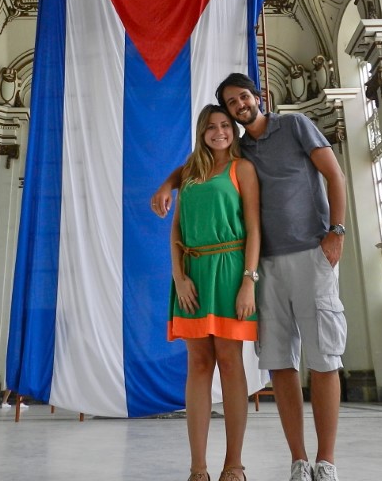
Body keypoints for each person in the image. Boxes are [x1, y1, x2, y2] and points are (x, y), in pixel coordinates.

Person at [153, 74, 347, 481]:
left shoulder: (290, 129)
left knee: (324, 356)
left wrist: (336, 232)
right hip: (250, 269)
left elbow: (333, 176)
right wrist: (167, 185)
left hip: (303, 255)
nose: (237, 108)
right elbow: (193, 175)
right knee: (277, 361)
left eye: (242, 99)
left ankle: (322, 462)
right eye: (228, 105)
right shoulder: (237, 151)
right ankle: (295, 460)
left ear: (258, 97)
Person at [168, 104, 261, 481]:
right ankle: (198, 467)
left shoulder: (243, 169)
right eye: (211, 127)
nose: (219, 131)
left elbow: (254, 228)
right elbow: (175, 231)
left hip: (230, 270)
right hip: (192, 275)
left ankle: (234, 464)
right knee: (198, 364)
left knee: (230, 361)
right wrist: (179, 277)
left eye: (225, 125)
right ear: (201, 132)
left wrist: (248, 282)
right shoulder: (189, 173)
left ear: (233, 130)